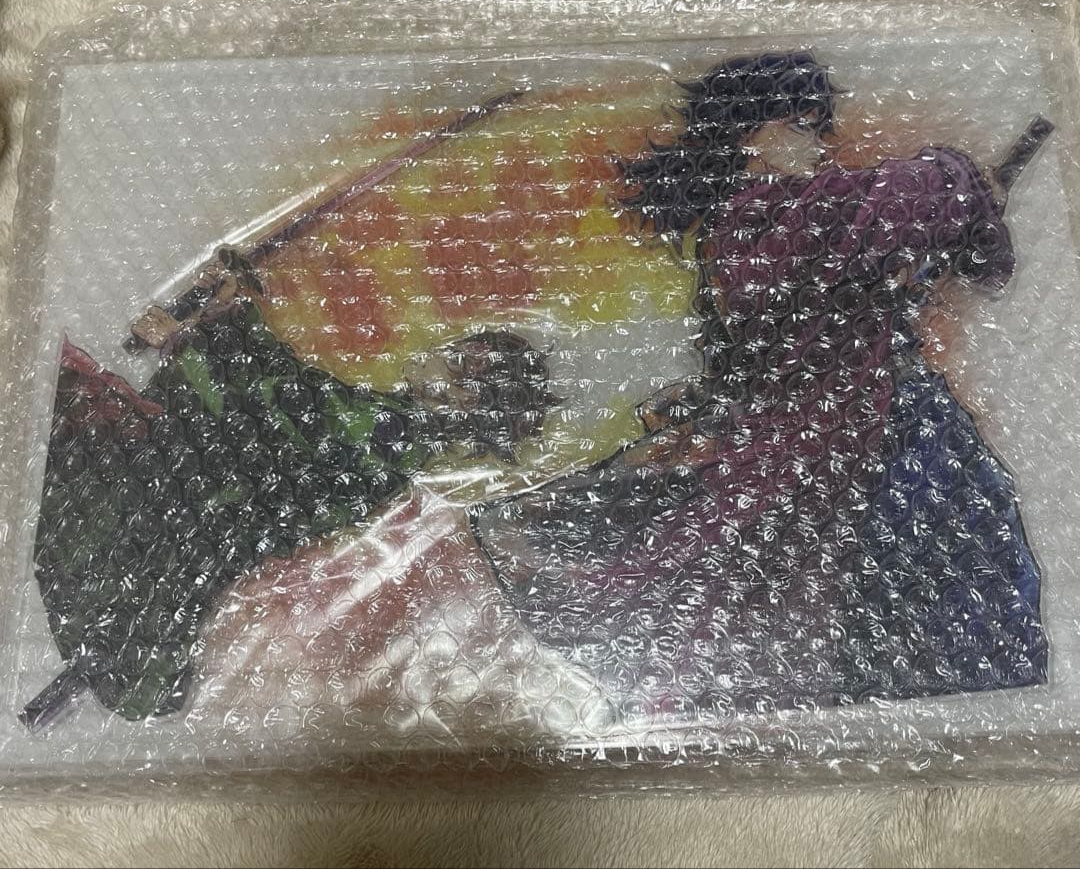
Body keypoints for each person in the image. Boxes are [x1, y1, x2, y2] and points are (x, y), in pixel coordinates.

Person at [472, 52, 1049, 716]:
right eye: (804, 126)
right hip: (864, 436)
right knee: (944, 578)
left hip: (846, 430)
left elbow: (965, 263)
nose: (821, 146)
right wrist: (966, 178)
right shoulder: (781, 215)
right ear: (751, 131)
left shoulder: (743, 227)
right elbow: (931, 201)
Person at [26, 295, 559, 727]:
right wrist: (232, 320)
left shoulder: (392, 436)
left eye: (460, 365)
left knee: (66, 430)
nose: (443, 352)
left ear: (465, 402)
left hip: (186, 525)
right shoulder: (396, 434)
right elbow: (289, 400)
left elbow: (286, 403)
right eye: (458, 350)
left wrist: (203, 333)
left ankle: (98, 666)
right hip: (193, 528)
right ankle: (97, 667)